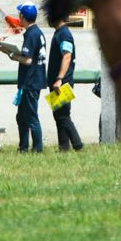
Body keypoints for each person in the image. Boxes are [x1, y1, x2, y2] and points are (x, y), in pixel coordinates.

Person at [0, 2, 46, 152]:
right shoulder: (37, 32)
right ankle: (23, 147)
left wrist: (11, 54)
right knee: (22, 117)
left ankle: (37, 148)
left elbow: (27, 60)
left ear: (22, 16)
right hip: (33, 80)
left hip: (31, 81)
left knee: (31, 117)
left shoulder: (32, 34)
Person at [47, 15, 83, 151]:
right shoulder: (59, 33)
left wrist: (59, 78)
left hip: (61, 83)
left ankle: (78, 145)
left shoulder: (64, 34)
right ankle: (64, 147)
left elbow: (67, 56)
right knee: (58, 115)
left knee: (63, 116)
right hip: (57, 82)